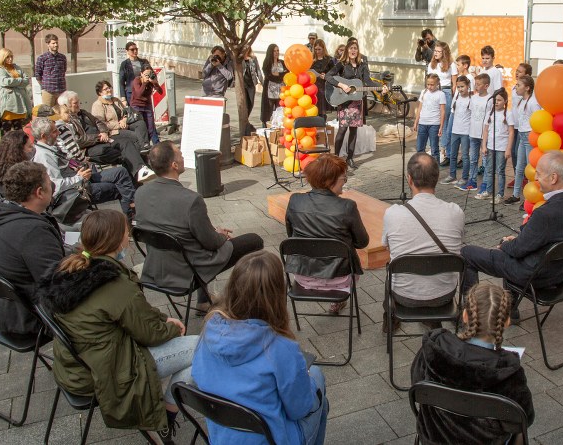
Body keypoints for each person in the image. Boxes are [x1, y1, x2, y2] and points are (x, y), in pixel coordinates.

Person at [36, 210, 198, 443]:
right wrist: (173, 328)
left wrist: (163, 320)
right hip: (104, 374)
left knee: (194, 351)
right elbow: (149, 333)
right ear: (117, 240)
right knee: (202, 348)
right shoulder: (114, 283)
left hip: (76, 368)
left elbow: (134, 315)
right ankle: (168, 413)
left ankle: (165, 409)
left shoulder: (70, 268)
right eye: (126, 232)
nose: (128, 236)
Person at [192, 250, 329, 445]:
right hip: (272, 439)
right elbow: (299, 409)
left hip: (222, 436)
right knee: (317, 379)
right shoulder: (282, 349)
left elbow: (198, 376)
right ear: (276, 296)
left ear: (232, 288)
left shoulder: (209, 329)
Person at [134, 142, 264, 313]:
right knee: (254, 240)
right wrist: (221, 235)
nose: (182, 157)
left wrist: (212, 234)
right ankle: (246, 299)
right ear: (174, 165)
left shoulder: (141, 193)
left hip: (156, 267)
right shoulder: (191, 199)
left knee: (193, 240)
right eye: (180, 154)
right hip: (187, 270)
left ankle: (204, 301)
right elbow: (210, 243)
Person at [461, 151, 563, 322]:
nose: (535, 177)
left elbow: (518, 249)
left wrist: (505, 245)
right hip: (558, 273)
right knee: (512, 246)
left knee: (467, 253)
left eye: (539, 173)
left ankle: (470, 316)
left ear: (553, 178)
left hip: (533, 274)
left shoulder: (546, 214)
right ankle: (510, 309)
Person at [410, 283, 534, 444]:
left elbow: (416, 384)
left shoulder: (435, 347)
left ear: (465, 316)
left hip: (434, 437)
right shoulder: (508, 371)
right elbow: (525, 418)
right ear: (507, 322)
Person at [0, 161, 65, 336]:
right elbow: (60, 285)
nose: (53, 188)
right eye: (50, 185)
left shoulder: (0, 216)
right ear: (39, 193)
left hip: (2, 311)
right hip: (30, 318)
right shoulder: (31, 230)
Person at [382, 153, 464, 331]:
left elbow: (386, 246)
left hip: (404, 296)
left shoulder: (393, 213)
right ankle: (434, 321)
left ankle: (390, 319)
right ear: (437, 177)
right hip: (444, 295)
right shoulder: (455, 212)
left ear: (409, 179)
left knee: (391, 264)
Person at [285, 155, 369, 314]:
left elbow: (292, 237)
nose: (345, 181)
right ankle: (338, 301)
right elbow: (362, 242)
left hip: (303, 275)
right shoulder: (347, 206)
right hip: (340, 278)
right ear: (330, 180)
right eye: (344, 177)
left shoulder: (295, 200)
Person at [31, 117, 136, 217]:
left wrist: (76, 167)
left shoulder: (49, 147)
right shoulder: (44, 156)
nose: (58, 133)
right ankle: (129, 219)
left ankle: (131, 212)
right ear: (44, 136)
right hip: (76, 190)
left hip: (82, 178)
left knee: (121, 172)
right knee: (119, 188)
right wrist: (79, 177)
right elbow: (57, 186)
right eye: (54, 132)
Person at [58, 90, 155, 183]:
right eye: (76, 103)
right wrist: (98, 137)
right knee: (125, 151)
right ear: (66, 105)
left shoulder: (83, 113)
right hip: (89, 148)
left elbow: (98, 122)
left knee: (129, 143)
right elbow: (78, 140)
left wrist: (103, 132)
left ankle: (140, 175)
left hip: (103, 139)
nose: (79, 104)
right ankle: (141, 172)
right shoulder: (67, 122)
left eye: (78, 101)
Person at [326, 38, 385, 170]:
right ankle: (335, 157)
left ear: (358, 51)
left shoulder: (362, 65)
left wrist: (381, 87)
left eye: (355, 48)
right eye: (351, 48)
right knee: (342, 129)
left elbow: (368, 82)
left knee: (354, 130)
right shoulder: (341, 64)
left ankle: (350, 158)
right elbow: (328, 76)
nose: (353, 50)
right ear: (347, 50)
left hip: (357, 101)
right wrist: (341, 85)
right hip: (344, 101)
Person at [504, 75, 540, 205]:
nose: (516, 87)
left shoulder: (533, 102)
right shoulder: (521, 101)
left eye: (519, 85)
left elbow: (537, 121)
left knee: (530, 168)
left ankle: (530, 198)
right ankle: (516, 194)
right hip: (522, 135)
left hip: (530, 136)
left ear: (527, 88)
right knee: (519, 167)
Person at [476, 88, 511, 202]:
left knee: (500, 171)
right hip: (490, 146)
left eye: (499, 100)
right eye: (495, 100)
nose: (496, 102)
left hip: (502, 147)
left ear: (505, 101)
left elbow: (511, 133)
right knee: (489, 170)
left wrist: (508, 149)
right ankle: (489, 191)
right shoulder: (489, 114)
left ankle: (500, 194)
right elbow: (485, 130)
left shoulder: (508, 114)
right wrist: (484, 145)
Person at [91, 79, 150, 147]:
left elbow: (125, 112)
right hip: (113, 131)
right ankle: (141, 151)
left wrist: (124, 119)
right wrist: (119, 125)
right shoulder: (98, 105)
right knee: (135, 136)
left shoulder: (116, 100)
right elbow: (101, 124)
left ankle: (145, 146)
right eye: (105, 89)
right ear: (100, 93)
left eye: (109, 87)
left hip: (125, 125)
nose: (109, 90)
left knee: (141, 124)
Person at [427, 42, 458, 165]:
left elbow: (454, 84)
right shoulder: (431, 64)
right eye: (435, 50)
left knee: (444, 122)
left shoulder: (451, 65)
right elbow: (429, 80)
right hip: (434, 91)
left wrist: (453, 97)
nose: (435, 53)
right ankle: (433, 147)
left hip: (445, 91)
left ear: (444, 53)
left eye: (439, 51)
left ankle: (443, 149)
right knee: (433, 119)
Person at [440, 76, 472, 188]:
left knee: (465, 156)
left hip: (466, 132)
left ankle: (464, 177)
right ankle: (452, 175)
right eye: (458, 87)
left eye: (462, 86)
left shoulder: (471, 99)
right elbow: (453, 113)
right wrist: (450, 129)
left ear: (468, 86)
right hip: (455, 131)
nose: (460, 89)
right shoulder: (457, 97)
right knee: (453, 155)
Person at [462, 73, 492, 191]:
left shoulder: (490, 99)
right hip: (473, 133)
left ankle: (485, 183)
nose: (476, 86)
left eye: (478, 84)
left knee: (485, 160)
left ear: (486, 85)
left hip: (484, 134)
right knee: (473, 158)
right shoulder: (473, 98)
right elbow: (470, 113)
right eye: (475, 84)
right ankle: (472, 181)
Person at [0, 48, 31, 136]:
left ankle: (19, 147)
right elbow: (5, 81)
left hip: (19, 102)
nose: (10, 59)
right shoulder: (0, 70)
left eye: (11, 57)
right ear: (2, 58)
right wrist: (19, 81)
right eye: (7, 57)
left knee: (19, 128)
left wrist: (14, 83)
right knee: (6, 129)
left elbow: (26, 80)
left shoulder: (16, 67)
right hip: (9, 104)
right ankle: (4, 148)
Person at [0, 130, 34, 197]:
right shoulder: (17, 175)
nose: (33, 149)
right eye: (30, 146)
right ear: (18, 151)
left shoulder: (2, 169)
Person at [508, 63, 532, 188]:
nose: (517, 73)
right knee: (513, 151)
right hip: (515, 124)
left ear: (527, 75)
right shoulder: (514, 88)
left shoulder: (530, 95)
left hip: (524, 127)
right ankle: (518, 176)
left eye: (520, 71)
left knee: (520, 153)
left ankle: (525, 177)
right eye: (516, 70)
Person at [413, 74, 446, 163]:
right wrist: (416, 122)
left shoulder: (441, 94)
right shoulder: (424, 92)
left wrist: (441, 126)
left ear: (437, 84)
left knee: (434, 148)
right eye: (428, 84)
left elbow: (442, 111)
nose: (429, 87)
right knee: (420, 148)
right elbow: (420, 108)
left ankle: (435, 171)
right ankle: (420, 168)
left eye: (432, 85)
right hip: (422, 123)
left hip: (434, 124)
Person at [131, 64, 162, 145]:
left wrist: (155, 83)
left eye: (150, 74)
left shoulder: (151, 79)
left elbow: (160, 92)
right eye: (146, 75)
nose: (148, 76)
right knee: (142, 127)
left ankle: (155, 145)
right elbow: (138, 94)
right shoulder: (137, 80)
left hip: (147, 105)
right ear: (141, 74)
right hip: (137, 105)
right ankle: (143, 145)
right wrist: (144, 83)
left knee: (151, 127)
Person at [34, 33, 67, 106]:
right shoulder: (42, 58)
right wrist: (44, 86)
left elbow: (63, 71)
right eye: (53, 43)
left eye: (57, 43)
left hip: (61, 91)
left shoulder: (62, 58)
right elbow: (38, 75)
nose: (56, 45)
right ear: (48, 44)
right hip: (48, 92)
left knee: (62, 112)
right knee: (48, 113)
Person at [261, 43, 287, 125]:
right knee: (268, 112)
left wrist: (277, 74)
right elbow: (269, 76)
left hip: (281, 91)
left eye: (277, 50)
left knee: (280, 111)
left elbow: (285, 75)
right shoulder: (267, 64)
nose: (276, 52)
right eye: (274, 51)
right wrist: (280, 74)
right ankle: (267, 127)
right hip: (270, 92)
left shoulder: (282, 63)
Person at [310, 39, 334, 118]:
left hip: (324, 86)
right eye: (316, 49)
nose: (317, 51)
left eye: (319, 49)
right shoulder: (311, 59)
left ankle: (322, 127)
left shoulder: (329, 60)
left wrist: (326, 75)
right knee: (313, 109)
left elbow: (334, 73)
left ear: (323, 49)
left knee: (322, 110)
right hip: (313, 86)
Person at [240, 46, 264, 118]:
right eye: (244, 48)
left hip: (251, 83)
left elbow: (258, 71)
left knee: (251, 103)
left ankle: (246, 118)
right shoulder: (239, 59)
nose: (246, 50)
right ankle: (245, 120)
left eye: (247, 48)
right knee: (245, 104)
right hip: (242, 84)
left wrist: (263, 83)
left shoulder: (253, 58)